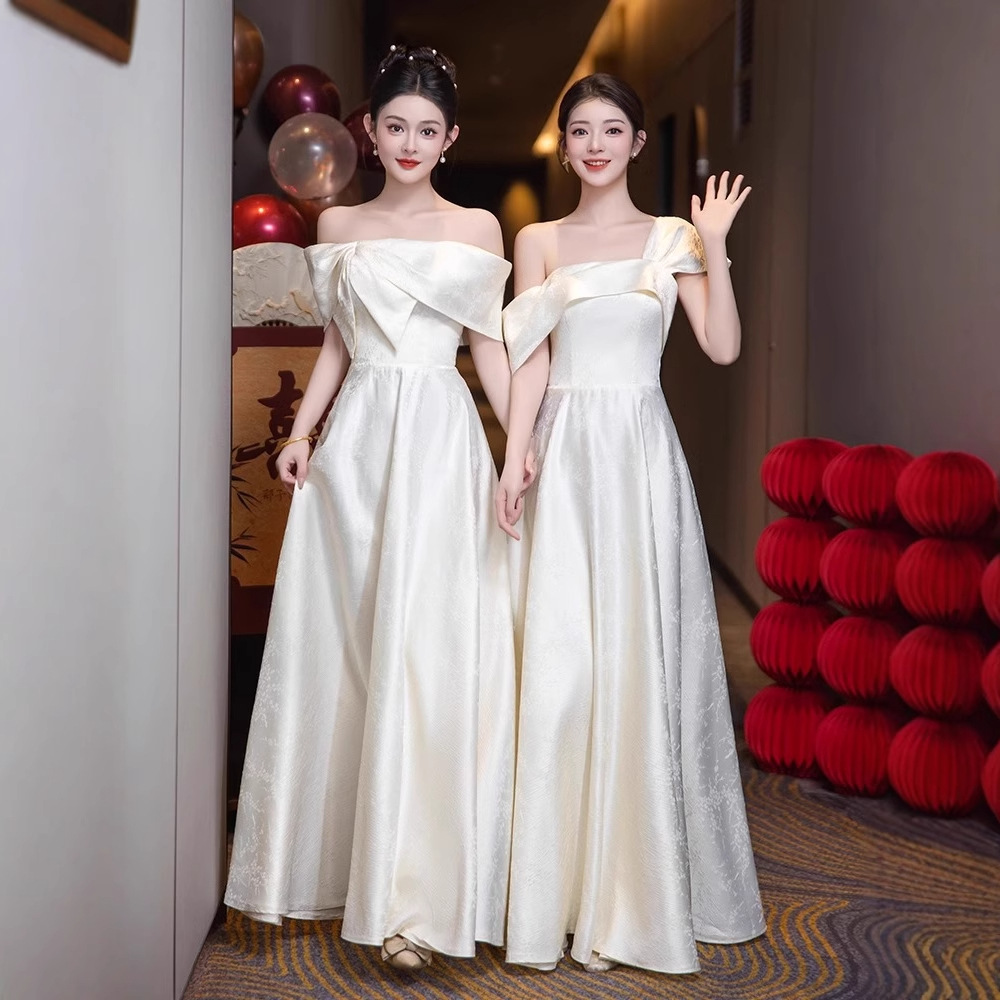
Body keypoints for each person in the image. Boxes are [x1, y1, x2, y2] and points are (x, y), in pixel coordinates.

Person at [225, 45, 517, 972]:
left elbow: (489, 347)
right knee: (351, 645)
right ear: (371, 132)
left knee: (429, 650)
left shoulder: (477, 229)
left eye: (428, 130)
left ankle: (419, 903)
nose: (411, 143)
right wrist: (301, 433)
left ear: (450, 138)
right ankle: (356, 872)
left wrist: (523, 451)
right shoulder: (339, 223)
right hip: (357, 450)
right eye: (396, 126)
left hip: (439, 442)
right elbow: (337, 348)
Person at [496, 73, 766, 974]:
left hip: (641, 457)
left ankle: (635, 894)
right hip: (566, 456)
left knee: (640, 659)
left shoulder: (674, 237)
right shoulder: (537, 240)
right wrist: (515, 456)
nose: (596, 145)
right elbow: (530, 361)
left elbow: (721, 346)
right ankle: (561, 893)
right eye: (580, 130)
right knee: (564, 665)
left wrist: (715, 246)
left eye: (612, 130)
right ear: (565, 143)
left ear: (637, 144)